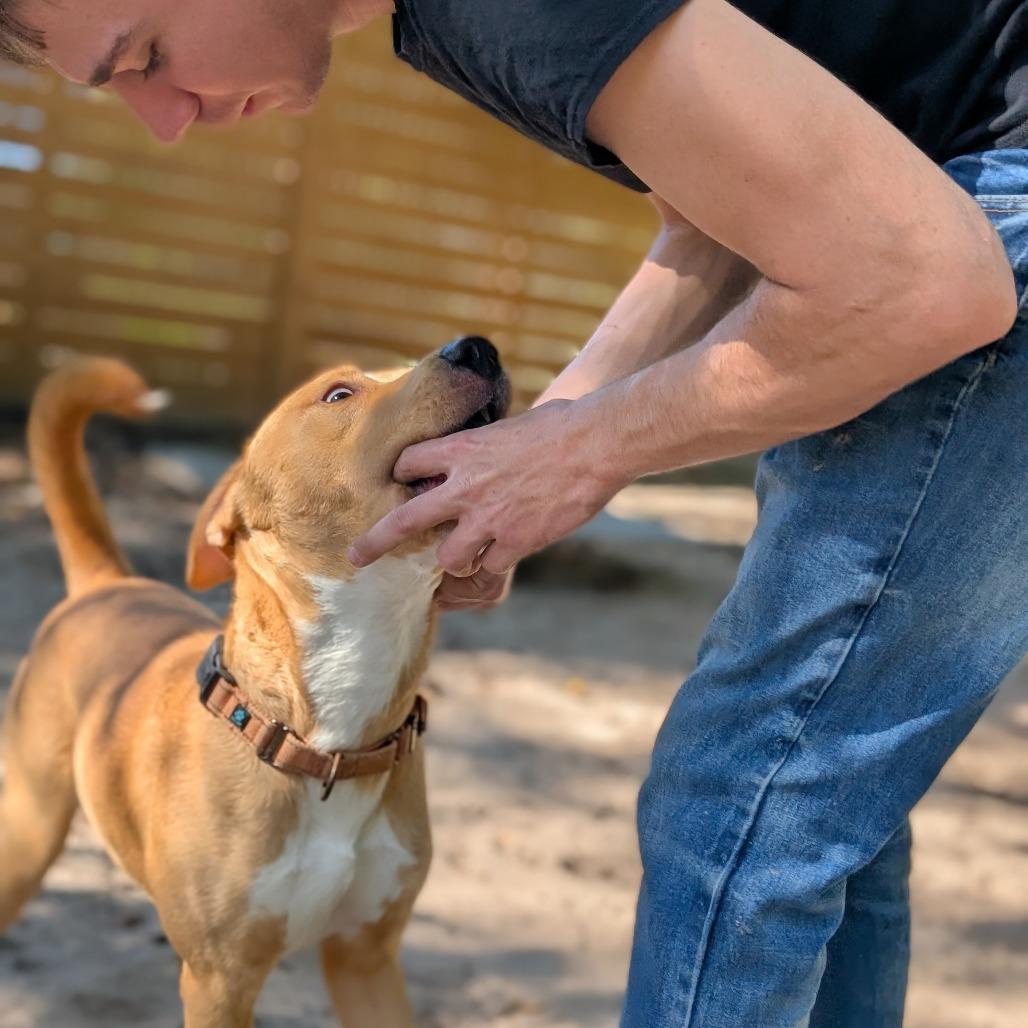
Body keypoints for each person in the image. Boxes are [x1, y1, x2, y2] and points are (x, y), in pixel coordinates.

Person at [8, 1, 1028, 1024]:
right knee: (823, 797)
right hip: (931, 184)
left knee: (750, 790)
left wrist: (583, 452)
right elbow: (711, 228)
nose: (164, 119)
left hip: (970, 207)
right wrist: (539, 453)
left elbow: (929, 280)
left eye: (143, 54)